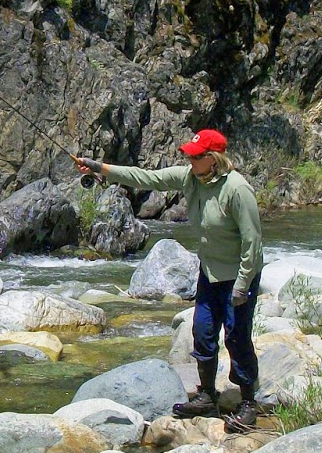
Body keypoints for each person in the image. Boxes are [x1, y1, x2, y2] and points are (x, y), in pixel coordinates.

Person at [74, 128, 265, 431]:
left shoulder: (237, 189)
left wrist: (242, 285)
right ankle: (206, 396)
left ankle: (247, 402)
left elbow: (252, 243)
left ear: (212, 159)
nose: (188, 159)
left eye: (194, 155)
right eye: (188, 155)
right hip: (210, 272)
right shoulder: (190, 177)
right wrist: (100, 167)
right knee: (202, 332)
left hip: (239, 276)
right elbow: (146, 177)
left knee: (236, 338)